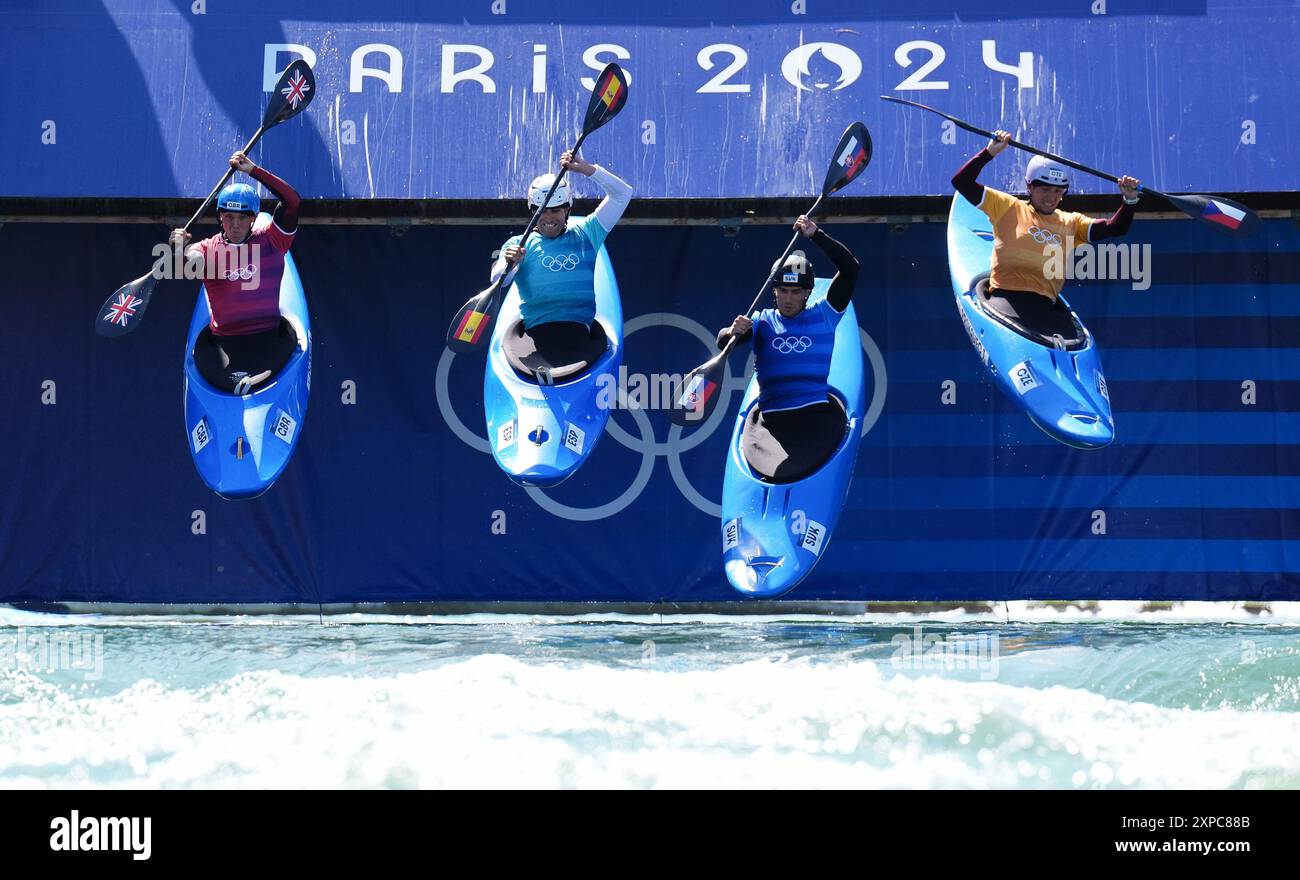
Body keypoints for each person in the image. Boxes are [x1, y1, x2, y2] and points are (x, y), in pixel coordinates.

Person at [952, 130, 1140, 340]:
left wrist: (1130, 200)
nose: (1051, 197)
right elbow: (962, 182)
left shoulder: (1072, 222)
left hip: (1046, 308)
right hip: (1006, 300)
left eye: (1058, 191)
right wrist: (990, 152)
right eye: (1045, 189)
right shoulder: (1007, 207)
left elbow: (1115, 228)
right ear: (1030, 187)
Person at [718, 216, 859, 482]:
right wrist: (732, 331)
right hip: (772, 425)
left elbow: (850, 268)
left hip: (816, 419)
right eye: (783, 291)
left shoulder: (826, 315)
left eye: (796, 292)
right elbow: (724, 343)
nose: (788, 299)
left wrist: (816, 235)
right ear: (774, 291)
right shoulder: (761, 321)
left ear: (808, 292)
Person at [170, 151, 301, 395]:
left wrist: (253, 170)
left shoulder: (273, 240)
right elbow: (189, 263)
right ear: (220, 216)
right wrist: (179, 251)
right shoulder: (207, 248)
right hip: (224, 346)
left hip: (269, 339)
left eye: (243, 217)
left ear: (253, 219)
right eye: (229, 216)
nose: (235, 224)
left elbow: (292, 202)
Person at [491, 150, 632, 375]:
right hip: (536, 339)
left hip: (580, 338)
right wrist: (509, 264)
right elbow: (499, 280)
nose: (548, 218)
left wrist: (586, 169)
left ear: (567, 209)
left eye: (556, 210)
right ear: (532, 211)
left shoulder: (588, 233)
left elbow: (623, 194)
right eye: (542, 211)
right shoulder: (518, 244)